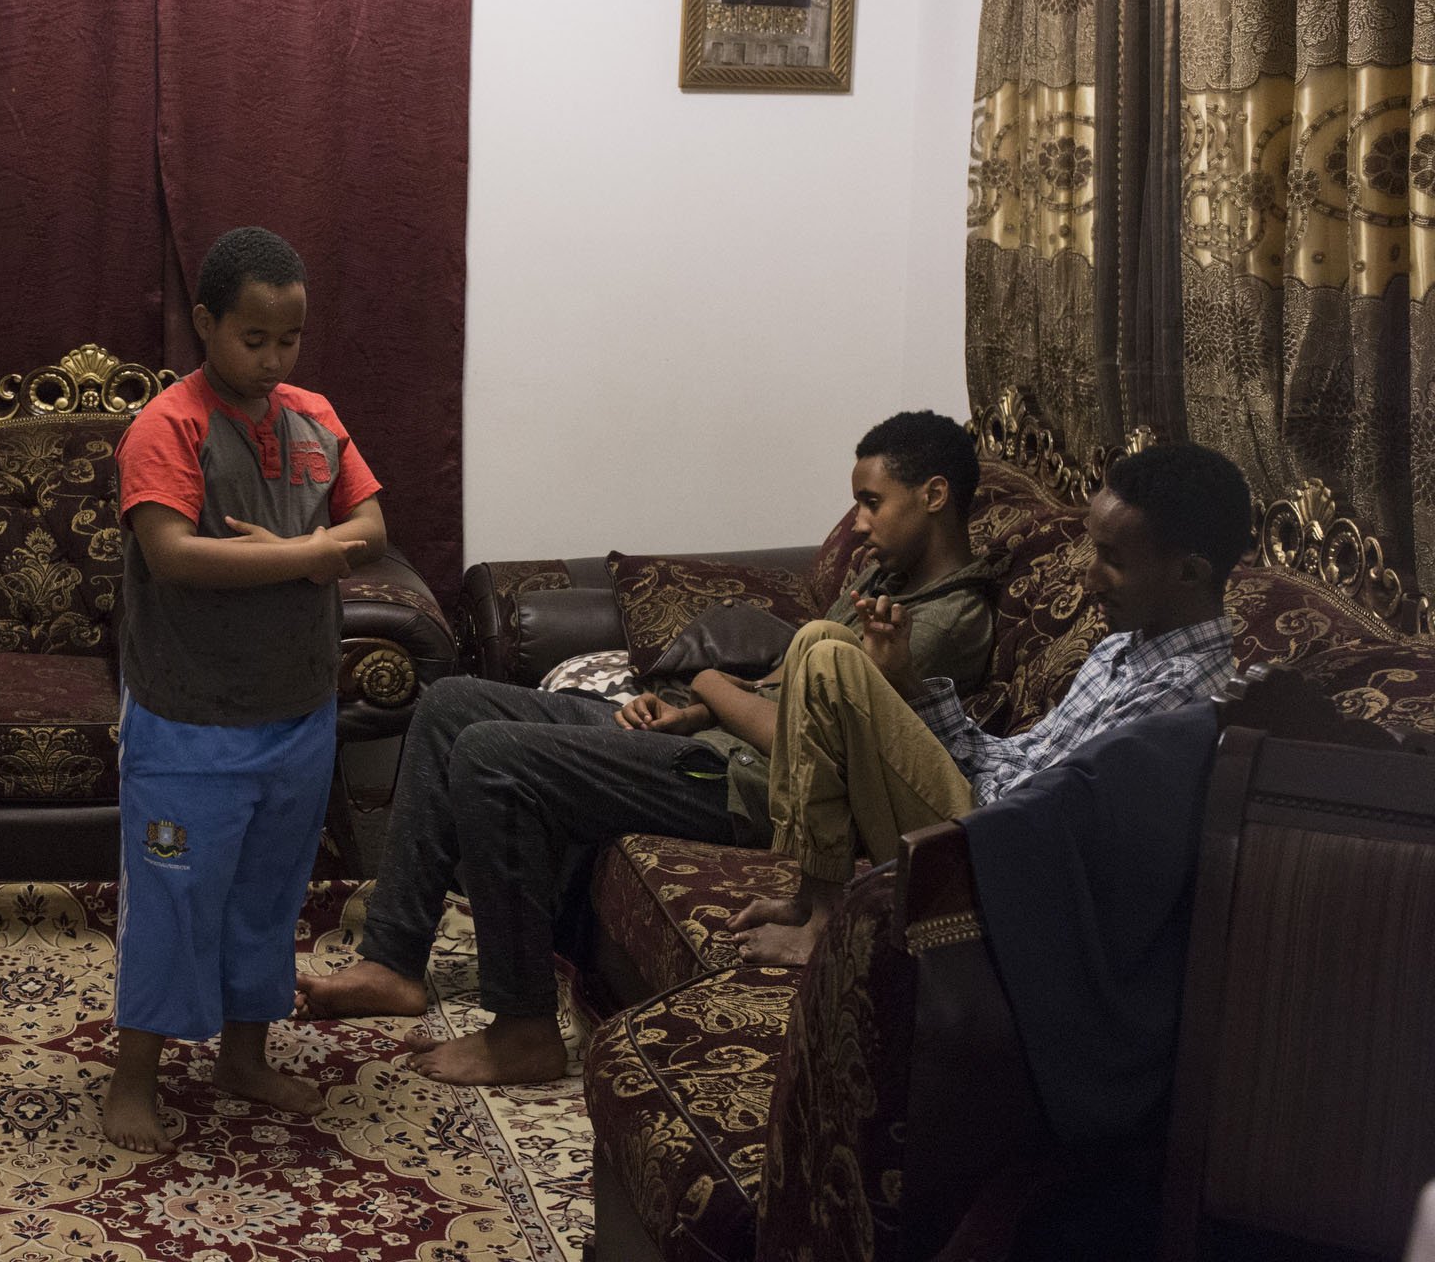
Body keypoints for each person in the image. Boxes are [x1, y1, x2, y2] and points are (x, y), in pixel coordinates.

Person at [299, 411, 1001, 1084]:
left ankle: (523, 1029)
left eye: (873, 503)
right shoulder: (881, 583)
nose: (860, 524)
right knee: (451, 703)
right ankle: (392, 959)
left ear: (934, 495)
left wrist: (709, 681)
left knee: (489, 755)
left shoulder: (945, 619)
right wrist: (688, 710)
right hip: (709, 743)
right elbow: (786, 686)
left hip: (745, 783)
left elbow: (810, 752)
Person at [728, 439, 1250, 967]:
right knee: (820, 638)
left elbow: (1038, 815)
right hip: (998, 819)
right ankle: (814, 897)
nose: (1089, 578)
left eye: (1112, 561)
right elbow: (1026, 760)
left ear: (1190, 572)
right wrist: (907, 682)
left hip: (1006, 871)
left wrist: (903, 738)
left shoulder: (1181, 696)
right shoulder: (1127, 645)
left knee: (831, 665)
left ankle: (823, 928)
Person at [102, 226, 388, 1152]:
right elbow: (173, 556)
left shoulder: (315, 415)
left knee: (269, 894)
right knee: (174, 897)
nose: (272, 359)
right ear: (203, 325)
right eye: (252, 339)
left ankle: (244, 1056)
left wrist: (313, 551)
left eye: (289, 340)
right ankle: (134, 1079)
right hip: (189, 723)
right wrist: (314, 555)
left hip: (299, 712)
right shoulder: (166, 427)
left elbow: (372, 525)